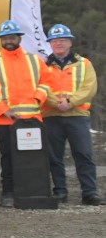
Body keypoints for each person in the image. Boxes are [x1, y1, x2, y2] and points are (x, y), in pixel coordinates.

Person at [0, 19, 53, 208]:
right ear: (1, 40)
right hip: (6, 121)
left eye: (12, 37)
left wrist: (38, 99)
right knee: (7, 159)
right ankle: (8, 192)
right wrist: (3, 110)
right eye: (5, 38)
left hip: (32, 120)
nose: (9, 41)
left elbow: (47, 82)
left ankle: (33, 190)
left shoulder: (35, 60)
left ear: (19, 38)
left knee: (34, 157)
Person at [42, 23, 99, 205]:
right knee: (54, 157)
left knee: (83, 154)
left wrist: (71, 102)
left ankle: (90, 192)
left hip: (77, 115)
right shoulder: (43, 65)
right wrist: (55, 103)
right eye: (55, 41)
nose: (58, 44)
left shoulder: (84, 64)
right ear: (50, 44)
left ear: (70, 43)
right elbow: (40, 88)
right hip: (51, 115)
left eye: (62, 40)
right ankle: (60, 191)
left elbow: (89, 88)